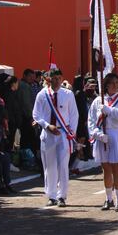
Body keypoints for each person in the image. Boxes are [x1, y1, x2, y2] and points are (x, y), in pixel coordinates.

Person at [32, 68, 78, 207]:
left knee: (63, 166)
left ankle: (62, 196)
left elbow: (74, 115)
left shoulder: (68, 94)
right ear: (48, 79)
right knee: (49, 166)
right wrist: (47, 126)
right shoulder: (42, 94)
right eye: (54, 78)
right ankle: (51, 195)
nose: (56, 80)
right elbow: (36, 115)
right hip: (48, 134)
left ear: (62, 78)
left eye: (59, 77)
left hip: (63, 134)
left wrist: (72, 133)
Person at [88, 73, 118, 211]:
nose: (115, 85)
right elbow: (91, 120)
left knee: (117, 168)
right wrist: (97, 134)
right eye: (112, 83)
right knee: (106, 169)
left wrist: (109, 110)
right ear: (106, 85)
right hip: (103, 136)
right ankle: (108, 199)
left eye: (117, 83)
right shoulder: (98, 101)